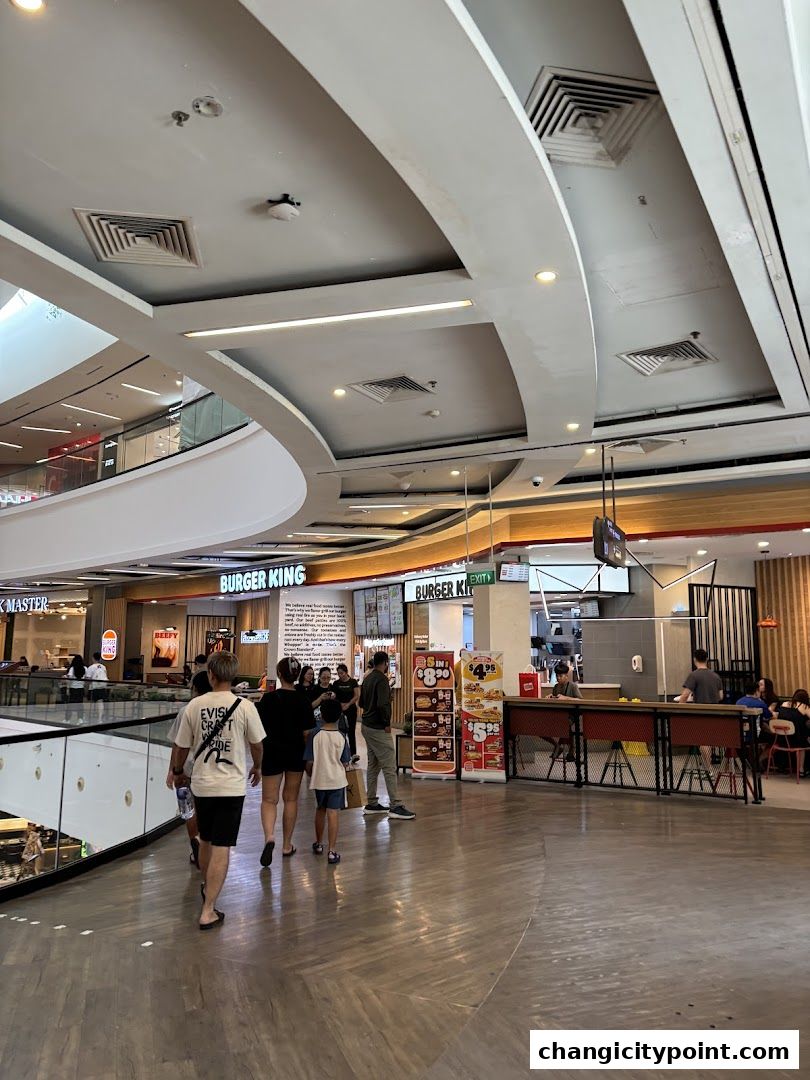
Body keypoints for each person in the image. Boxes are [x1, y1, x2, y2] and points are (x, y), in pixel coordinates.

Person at [170, 651, 264, 930]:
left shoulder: (194, 706)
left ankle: (205, 883)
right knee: (223, 845)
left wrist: (177, 772)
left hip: (202, 784)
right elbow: (257, 744)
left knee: (206, 839)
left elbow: (181, 746)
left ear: (210, 674)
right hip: (231, 786)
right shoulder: (245, 707)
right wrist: (257, 766)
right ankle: (208, 909)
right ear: (232, 675)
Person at [257, 657, 315, 864]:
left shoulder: (268, 700)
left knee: (269, 800)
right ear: (297, 676)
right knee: (290, 799)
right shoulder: (303, 701)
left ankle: (269, 837)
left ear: (279, 674)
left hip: (272, 752)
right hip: (295, 753)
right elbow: (308, 733)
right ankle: (287, 845)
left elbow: (258, 730)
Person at [359, 651, 415, 820]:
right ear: (384, 663)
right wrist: (386, 723)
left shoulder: (367, 678)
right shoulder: (382, 679)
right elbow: (382, 704)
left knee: (373, 764)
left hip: (366, 725)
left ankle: (372, 802)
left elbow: (361, 702)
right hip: (378, 727)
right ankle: (395, 805)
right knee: (390, 766)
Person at [166, 670, 212, 867]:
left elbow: (178, 744)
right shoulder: (216, 709)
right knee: (203, 809)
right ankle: (203, 842)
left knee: (188, 809)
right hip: (209, 768)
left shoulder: (186, 710)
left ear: (194, 688)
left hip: (185, 768)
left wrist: (172, 770)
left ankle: (194, 839)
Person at [304, 697, 351, 864]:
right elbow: (345, 762)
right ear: (339, 717)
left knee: (320, 810)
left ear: (321, 715)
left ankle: (318, 844)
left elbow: (309, 761)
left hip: (319, 780)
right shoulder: (341, 736)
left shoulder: (314, 735)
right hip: (337, 781)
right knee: (333, 813)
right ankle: (332, 851)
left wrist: (310, 773)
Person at [766, 689, 810, 775]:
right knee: (804, 743)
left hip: (781, 739)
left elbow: (776, 715)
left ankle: (782, 766)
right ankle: (801, 770)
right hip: (796, 740)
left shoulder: (784, 704)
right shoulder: (804, 706)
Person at [548, 662, 581, 760]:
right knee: (565, 728)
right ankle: (567, 749)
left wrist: (565, 698)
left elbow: (580, 700)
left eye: (560, 676)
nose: (558, 678)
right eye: (557, 676)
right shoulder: (556, 687)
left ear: (566, 676)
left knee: (565, 725)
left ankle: (560, 747)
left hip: (571, 714)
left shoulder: (573, 686)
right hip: (559, 714)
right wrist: (551, 697)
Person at [332, 662, 360, 762]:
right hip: (340, 709)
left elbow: (356, 695)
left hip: (351, 708)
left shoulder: (353, 682)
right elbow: (334, 696)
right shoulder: (336, 683)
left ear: (346, 672)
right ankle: (341, 753)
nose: (340, 675)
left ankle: (353, 754)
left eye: (342, 673)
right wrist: (340, 705)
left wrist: (348, 704)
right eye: (338, 673)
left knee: (351, 731)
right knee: (340, 731)